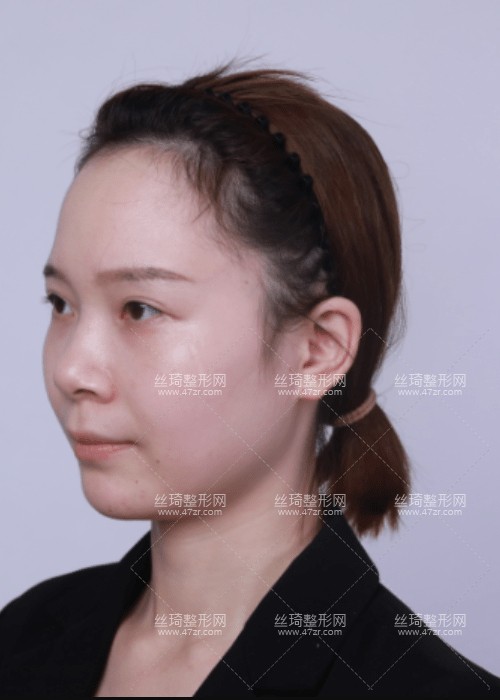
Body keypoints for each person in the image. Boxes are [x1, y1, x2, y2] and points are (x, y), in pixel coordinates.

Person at [0, 63, 498, 698]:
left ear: (317, 351)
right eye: (61, 304)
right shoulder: (24, 637)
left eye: (140, 309)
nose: (72, 369)